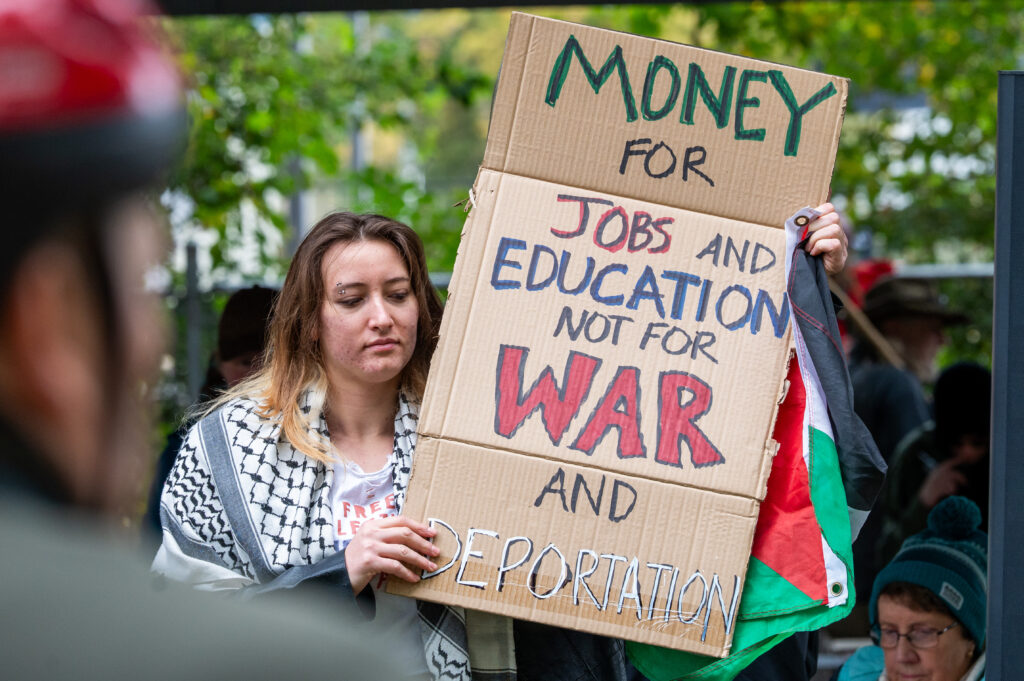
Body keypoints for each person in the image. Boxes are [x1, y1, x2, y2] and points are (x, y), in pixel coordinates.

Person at [0, 2, 402, 678]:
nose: (148, 338)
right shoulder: (284, 661)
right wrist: (340, 575)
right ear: (46, 322)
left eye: (399, 293)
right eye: (139, 291)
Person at [848, 276, 967, 609]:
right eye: (932, 328)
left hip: (849, 576)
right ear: (894, 327)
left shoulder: (849, 377)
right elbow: (917, 486)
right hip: (884, 581)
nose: (942, 339)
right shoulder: (896, 386)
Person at [143, 285, 278, 538]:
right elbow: (154, 543)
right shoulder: (187, 448)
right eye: (245, 362)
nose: (259, 375)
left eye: (272, 361)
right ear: (220, 364)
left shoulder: (325, 438)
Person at [834, 496, 986, 681]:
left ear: (971, 639)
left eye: (923, 633)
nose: (903, 656)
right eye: (889, 632)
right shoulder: (854, 676)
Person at [876, 362, 990, 566]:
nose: (967, 452)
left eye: (977, 443)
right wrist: (924, 501)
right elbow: (888, 555)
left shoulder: (1007, 460)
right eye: (956, 443)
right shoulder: (915, 455)